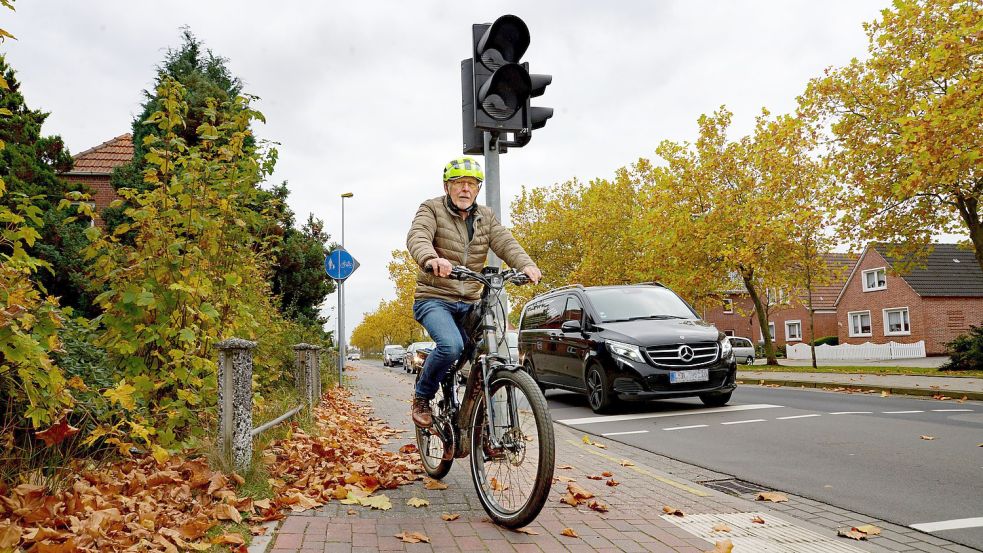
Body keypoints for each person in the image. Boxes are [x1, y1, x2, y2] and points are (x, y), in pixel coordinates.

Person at [406, 157, 542, 428]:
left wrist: (525, 264)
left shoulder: (486, 217)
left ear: (478, 189)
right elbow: (418, 235)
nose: (465, 189)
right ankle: (422, 397)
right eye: (459, 183)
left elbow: (505, 242)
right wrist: (431, 259)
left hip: (470, 301)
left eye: (471, 184)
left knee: (486, 355)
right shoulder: (431, 209)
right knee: (451, 346)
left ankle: (481, 429)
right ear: (448, 186)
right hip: (435, 298)